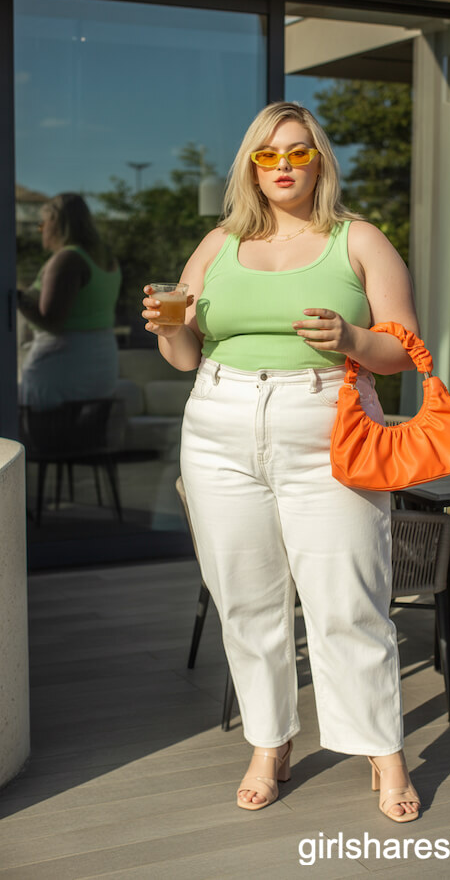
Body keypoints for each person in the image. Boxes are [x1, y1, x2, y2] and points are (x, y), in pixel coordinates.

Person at [142, 102, 421, 822]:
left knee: (348, 598)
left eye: (298, 152)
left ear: (319, 160)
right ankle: (271, 742)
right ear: (252, 166)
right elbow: (184, 356)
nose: (285, 166)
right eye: (269, 155)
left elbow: (405, 350)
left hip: (327, 421)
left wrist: (353, 338)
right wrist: (167, 325)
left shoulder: (357, 240)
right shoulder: (219, 242)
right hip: (220, 422)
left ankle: (381, 751)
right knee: (246, 598)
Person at [18, 192, 121, 410]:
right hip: (101, 358)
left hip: (64, 361)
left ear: (56, 222)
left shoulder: (67, 259)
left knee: (49, 435)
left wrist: (15, 297)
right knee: (84, 436)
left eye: (42, 224)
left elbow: (52, 321)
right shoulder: (105, 258)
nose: (41, 230)